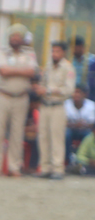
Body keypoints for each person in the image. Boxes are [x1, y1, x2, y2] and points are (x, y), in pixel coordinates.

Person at [0, 23, 38, 176]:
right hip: (2, 96)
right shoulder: (1, 52)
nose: (15, 38)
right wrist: (22, 70)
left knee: (17, 133)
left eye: (18, 36)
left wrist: (13, 70)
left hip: (21, 97)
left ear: (23, 39)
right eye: (13, 36)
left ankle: (14, 167)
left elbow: (32, 72)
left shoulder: (30, 53)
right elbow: (3, 71)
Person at [35, 41, 75, 179]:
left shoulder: (68, 68)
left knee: (56, 138)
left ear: (63, 52)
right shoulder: (48, 66)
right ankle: (45, 168)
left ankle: (58, 169)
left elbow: (69, 90)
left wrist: (49, 90)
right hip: (45, 106)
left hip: (58, 106)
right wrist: (39, 89)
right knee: (43, 137)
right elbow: (42, 83)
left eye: (57, 51)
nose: (54, 54)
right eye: (53, 51)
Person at [65, 85, 95, 156]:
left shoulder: (91, 105)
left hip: (85, 130)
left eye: (78, 92)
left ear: (84, 94)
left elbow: (92, 123)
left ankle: (83, 156)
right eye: (74, 92)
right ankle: (67, 157)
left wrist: (83, 125)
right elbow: (63, 122)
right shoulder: (66, 104)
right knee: (66, 135)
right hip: (71, 129)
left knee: (89, 136)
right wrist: (75, 125)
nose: (76, 94)